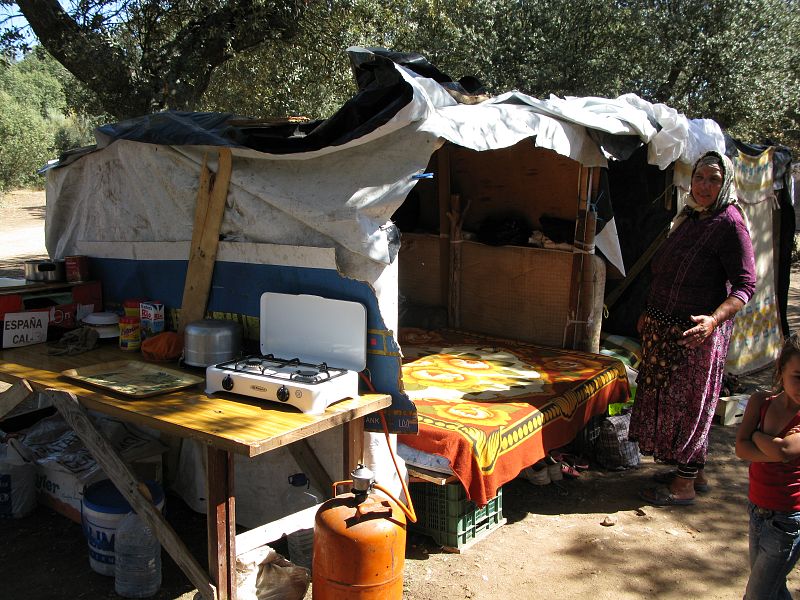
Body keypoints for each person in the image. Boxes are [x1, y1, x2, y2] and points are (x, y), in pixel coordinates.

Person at [631, 150, 756, 506]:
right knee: (673, 403)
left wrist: (713, 320)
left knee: (691, 406)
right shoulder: (691, 215)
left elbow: (746, 285)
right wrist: (649, 311)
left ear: (726, 183)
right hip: (663, 328)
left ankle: (683, 486)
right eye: (699, 177)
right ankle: (693, 473)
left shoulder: (729, 222)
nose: (703, 185)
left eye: (713, 179)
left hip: (695, 335)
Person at [735, 333, 800, 599]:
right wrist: (773, 448)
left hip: (788, 520)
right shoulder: (760, 402)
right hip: (757, 510)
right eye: (798, 376)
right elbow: (741, 449)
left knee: (758, 594)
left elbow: (784, 451)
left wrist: (756, 437)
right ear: (781, 369)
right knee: (773, 589)